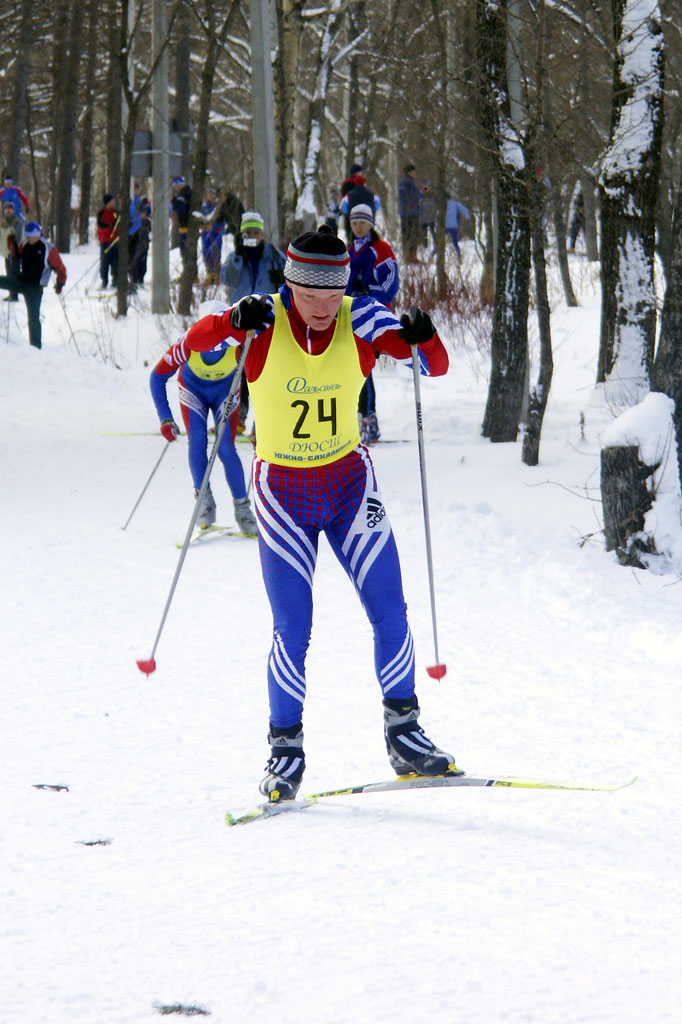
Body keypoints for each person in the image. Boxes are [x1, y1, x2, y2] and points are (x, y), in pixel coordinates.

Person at [182, 226, 460, 801]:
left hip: (349, 487)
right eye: (309, 296)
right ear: (290, 284)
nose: (321, 308)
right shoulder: (262, 318)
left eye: (331, 295)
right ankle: (285, 751)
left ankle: (404, 735)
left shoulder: (361, 317)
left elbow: (434, 366)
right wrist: (232, 322)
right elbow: (193, 345)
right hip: (283, 495)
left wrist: (423, 336)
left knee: (390, 607)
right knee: (293, 628)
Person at [149, 299, 257, 536]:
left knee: (226, 448)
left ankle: (243, 509)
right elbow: (157, 377)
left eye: (219, 328)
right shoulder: (187, 343)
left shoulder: (239, 342)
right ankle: (204, 504)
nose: (214, 336)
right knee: (197, 441)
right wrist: (165, 418)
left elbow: (262, 380)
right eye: (208, 328)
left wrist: (261, 425)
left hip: (225, 392)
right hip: (193, 390)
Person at [220, 210, 286, 434]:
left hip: (267, 319)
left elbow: (290, 280)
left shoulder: (273, 256)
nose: (253, 236)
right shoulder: (235, 255)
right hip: (241, 317)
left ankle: (263, 423)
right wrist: (238, 256)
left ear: (262, 234)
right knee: (241, 372)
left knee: (264, 371)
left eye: (256, 232)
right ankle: (238, 419)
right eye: (248, 233)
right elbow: (226, 278)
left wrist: (282, 280)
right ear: (241, 235)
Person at [345, 203, 400, 445]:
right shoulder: (348, 251)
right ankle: (366, 421)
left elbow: (390, 287)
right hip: (350, 317)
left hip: (374, 317)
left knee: (362, 367)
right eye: (354, 223)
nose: (358, 227)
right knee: (358, 369)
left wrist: (367, 290)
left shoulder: (381, 249)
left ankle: (367, 422)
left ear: (371, 224)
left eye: (362, 223)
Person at [0, 221, 67, 349]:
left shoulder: (48, 248)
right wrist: (12, 243)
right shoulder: (25, 244)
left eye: (32, 236)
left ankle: (36, 347)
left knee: (33, 317)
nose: (29, 239)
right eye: (28, 236)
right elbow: (17, 254)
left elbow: (61, 269)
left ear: (38, 235)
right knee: (3, 281)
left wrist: (60, 283)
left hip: (35, 288)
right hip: (21, 281)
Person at [0, 201, 24, 301]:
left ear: (13, 210)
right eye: (6, 209)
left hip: (14, 253)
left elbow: (18, 237)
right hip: (6, 253)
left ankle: (14, 295)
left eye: (10, 209)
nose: (8, 211)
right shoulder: (3, 222)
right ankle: (11, 293)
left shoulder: (17, 222)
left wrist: (14, 247)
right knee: (9, 273)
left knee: (14, 274)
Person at [398, 163, 420, 263]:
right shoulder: (405, 183)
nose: (414, 173)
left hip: (413, 212)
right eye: (413, 171)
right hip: (409, 213)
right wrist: (408, 207)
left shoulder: (412, 182)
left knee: (412, 235)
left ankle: (412, 256)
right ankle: (408, 257)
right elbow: (404, 197)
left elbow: (418, 194)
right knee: (409, 235)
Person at [96, 194, 119, 288]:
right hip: (105, 241)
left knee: (115, 261)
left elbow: (117, 222)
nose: (113, 203)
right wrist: (108, 227)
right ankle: (104, 280)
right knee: (105, 261)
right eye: (111, 202)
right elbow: (101, 225)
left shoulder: (115, 213)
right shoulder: (101, 213)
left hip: (114, 240)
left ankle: (115, 279)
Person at [170, 176, 192, 255]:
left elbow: (181, 209)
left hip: (186, 224)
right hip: (185, 224)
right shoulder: (185, 194)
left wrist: (174, 204)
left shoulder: (183, 196)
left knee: (185, 249)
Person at [419, 182, 437, 252]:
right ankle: (425, 245)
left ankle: (433, 243)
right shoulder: (422, 196)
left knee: (431, 232)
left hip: (428, 218)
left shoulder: (431, 196)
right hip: (426, 218)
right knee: (425, 233)